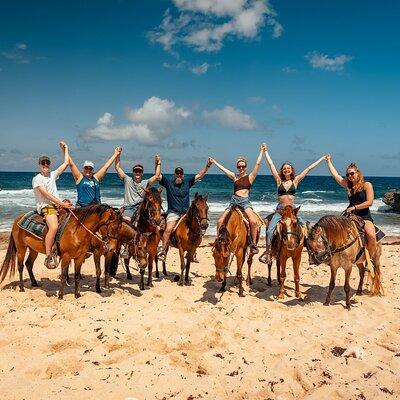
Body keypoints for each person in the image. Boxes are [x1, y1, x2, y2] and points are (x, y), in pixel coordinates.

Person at [259, 143, 326, 264]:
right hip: (280, 211)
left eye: (288, 168)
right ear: (282, 170)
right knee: (269, 231)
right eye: (284, 168)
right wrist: (265, 152)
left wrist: (321, 159)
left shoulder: (296, 180)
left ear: (291, 170)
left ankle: (311, 255)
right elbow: (271, 165)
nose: (286, 170)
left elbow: (309, 169)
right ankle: (269, 253)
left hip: (293, 210)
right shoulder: (278, 180)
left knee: (305, 230)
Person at [210, 144, 265, 254]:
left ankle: (253, 244)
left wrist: (262, 152)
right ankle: (219, 241)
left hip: (245, 202)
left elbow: (257, 164)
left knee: (253, 222)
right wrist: (214, 162)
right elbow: (223, 170)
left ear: (246, 167)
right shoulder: (234, 176)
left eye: (243, 166)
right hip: (234, 201)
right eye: (239, 166)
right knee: (220, 221)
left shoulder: (250, 176)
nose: (241, 168)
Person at [157, 159, 213, 262]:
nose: (179, 175)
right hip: (173, 212)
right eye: (177, 173)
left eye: (181, 173)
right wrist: (158, 163)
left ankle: (192, 252)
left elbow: (200, 175)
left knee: (198, 228)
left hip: (186, 213)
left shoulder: (187, 182)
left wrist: (207, 166)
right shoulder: (168, 182)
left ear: (183, 175)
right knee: (168, 229)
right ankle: (163, 251)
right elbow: (158, 176)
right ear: (175, 174)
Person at [32, 141, 74, 269]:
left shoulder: (52, 174)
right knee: (54, 227)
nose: (46, 165)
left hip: (57, 206)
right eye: (43, 163)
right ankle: (49, 256)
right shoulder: (37, 178)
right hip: (47, 207)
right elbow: (46, 195)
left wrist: (66, 148)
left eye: (47, 163)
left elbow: (66, 163)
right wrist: (61, 203)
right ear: (39, 165)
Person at [325, 155, 376, 258]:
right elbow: (336, 175)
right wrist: (329, 161)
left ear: (358, 173)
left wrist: (355, 207)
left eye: (352, 173)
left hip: (364, 216)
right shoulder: (348, 186)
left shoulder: (367, 185)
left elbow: (370, 202)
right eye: (348, 174)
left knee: (371, 236)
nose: (350, 176)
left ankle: (369, 259)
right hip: (350, 215)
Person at [114, 150, 161, 221]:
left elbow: (157, 176)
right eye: (136, 171)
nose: (137, 173)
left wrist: (158, 163)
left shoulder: (145, 182)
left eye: (140, 171)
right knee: (126, 221)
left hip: (142, 208)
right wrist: (118, 155)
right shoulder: (127, 180)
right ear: (133, 173)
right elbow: (117, 168)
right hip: (129, 208)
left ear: (142, 173)